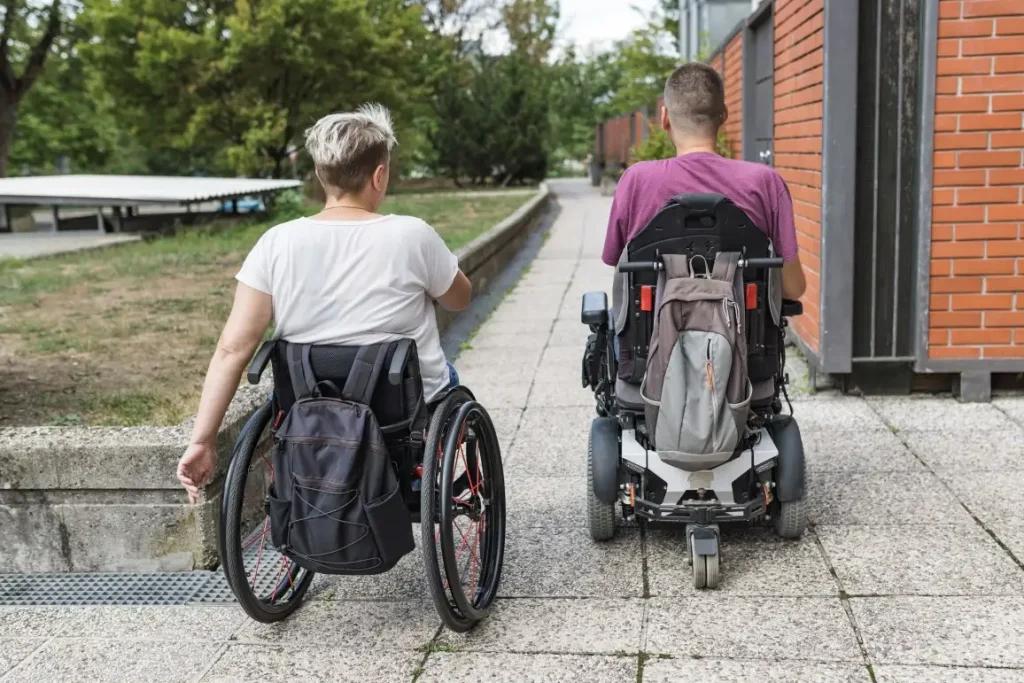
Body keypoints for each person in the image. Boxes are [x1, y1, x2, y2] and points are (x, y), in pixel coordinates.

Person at [176, 104, 472, 503]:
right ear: (379, 174)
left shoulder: (275, 243)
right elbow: (459, 299)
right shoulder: (412, 235)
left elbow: (233, 348)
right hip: (401, 412)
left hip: (308, 408)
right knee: (450, 383)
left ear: (320, 174)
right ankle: (421, 477)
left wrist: (203, 440)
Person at [602, 62, 807, 300]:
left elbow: (622, 273)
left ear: (664, 117)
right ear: (725, 114)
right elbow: (793, 288)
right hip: (745, 334)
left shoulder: (635, 180)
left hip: (652, 335)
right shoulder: (765, 182)